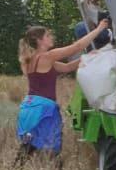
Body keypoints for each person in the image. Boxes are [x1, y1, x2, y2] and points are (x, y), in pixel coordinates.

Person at [16, 20, 108, 159]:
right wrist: (100, 28)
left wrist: (87, 57)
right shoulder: (47, 56)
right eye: (48, 36)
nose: (51, 38)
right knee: (52, 145)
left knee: (30, 145)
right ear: (40, 41)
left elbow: (67, 67)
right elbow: (78, 46)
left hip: (30, 106)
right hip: (44, 109)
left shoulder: (32, 60)